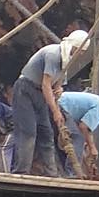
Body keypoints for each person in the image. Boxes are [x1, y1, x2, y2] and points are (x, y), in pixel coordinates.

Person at [8, 28, 89, 176]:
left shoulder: (67, 62)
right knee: (28, 132)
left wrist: (59, 90)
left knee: (46, 133)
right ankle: (21, 171)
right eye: (80, 50)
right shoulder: (53, 54)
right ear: (74, 46)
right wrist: (56, 111)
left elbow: (56, 84)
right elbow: (46, 84)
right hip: (26, 89)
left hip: (41, 95)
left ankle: (51, 173)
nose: (81, 54)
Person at [55, 88, 99, 177]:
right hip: (62, 106)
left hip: (59, 103)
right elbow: (84, 127)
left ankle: (63, 172)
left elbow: (82, 129)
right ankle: (72, 173)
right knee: (77, 138)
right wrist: (92, 148)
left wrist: (88, 157)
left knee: (67, 143)